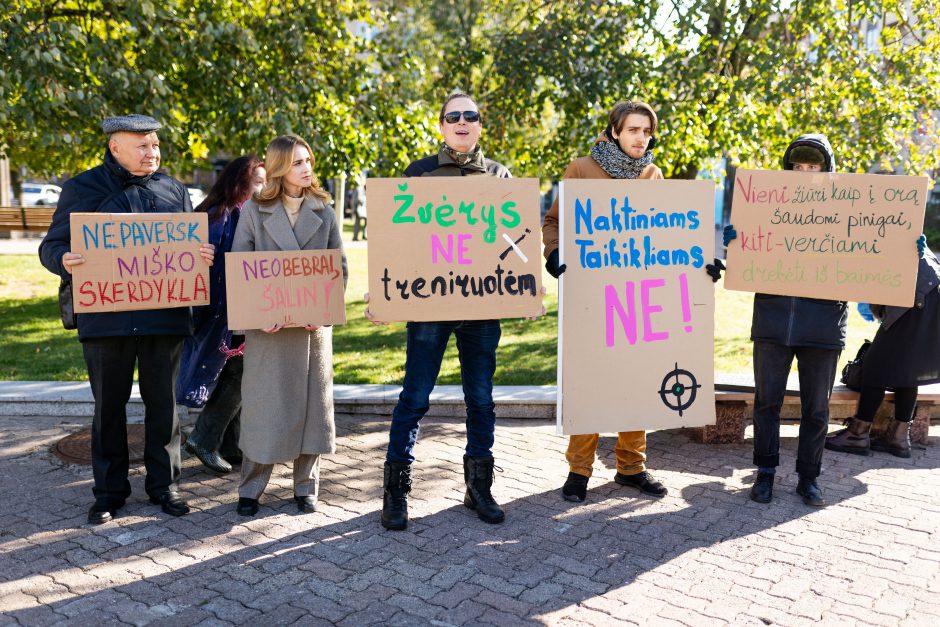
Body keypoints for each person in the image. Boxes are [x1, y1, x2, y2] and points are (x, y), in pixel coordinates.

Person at [38, 114, 215, 524]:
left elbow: (189, 248)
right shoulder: (83, 187)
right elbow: (52, 246)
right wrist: (64, 260)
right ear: (115, 147)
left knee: (164, 408)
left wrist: (200, 255)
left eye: (155, 145)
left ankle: (165, 487)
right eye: (142, 145)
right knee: (109, 410)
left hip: (163, 317)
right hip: (105, 319)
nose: (152, 152)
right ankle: (108, 494)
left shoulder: (173, 190)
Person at [377, 92, 511, 531]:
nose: (461, 121)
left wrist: (522, 292)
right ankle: (396, 494)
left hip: (482, 307)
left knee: (482, 400)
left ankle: (479, 489)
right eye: (453, 116)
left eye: (470, 115)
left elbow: (512, 246)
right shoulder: (418, 174)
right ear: (440, 126)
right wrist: (384, 294)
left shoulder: (498, 176)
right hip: (430, 305)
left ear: (479, 125)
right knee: (414, 398)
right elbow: (398, 242)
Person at [541, 101, 670, 503]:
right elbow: (554, 222)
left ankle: (631, 467)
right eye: (633, 130)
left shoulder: (652, 175)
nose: (641, 138)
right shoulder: (580, 170)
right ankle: (579, 469)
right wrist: (554, 253)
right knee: (591, 381)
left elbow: (668, 231)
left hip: (637, 295)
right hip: (591, 297)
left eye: (647, 131)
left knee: (636, 380)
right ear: (614, 131)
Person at [725, 134, 846, 507]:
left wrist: (904, 245)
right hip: (774, 322)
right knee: (766, 404)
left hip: (822, 326)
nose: (805, 174)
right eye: (798, 167)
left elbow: (873, 255)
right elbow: (748, 259)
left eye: (813, 168)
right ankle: (765, 473)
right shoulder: (766, 207)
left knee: (817, 410)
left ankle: (808, 478)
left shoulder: (848, 212)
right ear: (787, 170)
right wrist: (736, 242)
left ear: (827, 172)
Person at [231, 135, 346, 517]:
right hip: (269, 331)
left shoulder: (325, 211)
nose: (307, 168)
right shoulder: (253, 211)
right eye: (297, 162)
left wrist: (324, 309)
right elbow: (240, 268)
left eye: (308, 160)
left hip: (312, 332)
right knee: (264, 409)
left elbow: (337, 269)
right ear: (280, 167)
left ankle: (305, 487)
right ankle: (251, 487)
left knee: (313, 411)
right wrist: (262, 314)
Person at [177, 156, 266, 473]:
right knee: (240, 373)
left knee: (235, 373)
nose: (263, 188)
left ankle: (232, 445)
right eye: (258, 181)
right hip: (222, 313)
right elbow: (197, 265)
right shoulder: (221, 216)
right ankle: (204, 439)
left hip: (237, 309)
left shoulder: (237, 213)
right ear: (240, 182)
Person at [826, 235, 938, 458]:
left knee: (874, 366)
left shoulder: (878, 232)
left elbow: (879, 292)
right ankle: (898, 439)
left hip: (914, 293)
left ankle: (857, 435)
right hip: (931, 288)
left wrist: (879, 312)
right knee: (909, 370)